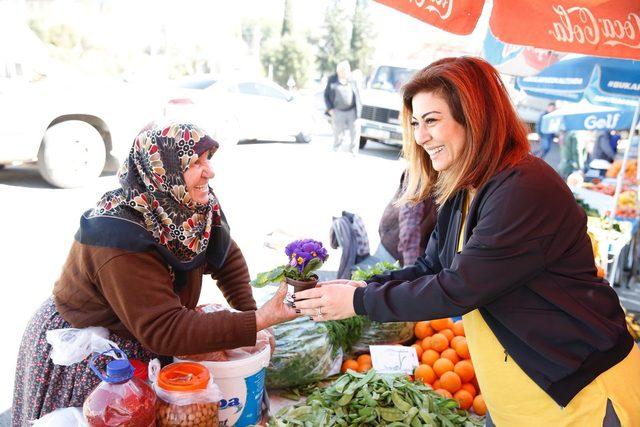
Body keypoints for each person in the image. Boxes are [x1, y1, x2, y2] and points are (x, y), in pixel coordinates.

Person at [293, 57, 640, 426]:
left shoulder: (524, 187)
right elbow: (432, 268)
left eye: (431, 120)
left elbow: (459, 288)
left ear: (474, 118)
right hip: (515, 398)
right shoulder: (465, 190)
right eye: (415, 123)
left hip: (579, 396)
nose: (420, 136)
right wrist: (364, 285)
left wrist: (360, 301)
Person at [12, 121, 297, 425]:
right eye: (195, 162)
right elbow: (166, 329)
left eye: (207, 159)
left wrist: (249, 315)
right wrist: (259, 320)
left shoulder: (193, 202)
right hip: (92, 349)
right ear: (164, 169)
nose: (209, 171)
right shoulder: (118, 233)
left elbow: (225, 256)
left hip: (146, 333)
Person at [378, 171, 437, 266]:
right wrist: (410, 267)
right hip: (392, 247)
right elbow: (409, 227)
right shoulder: (419, 174)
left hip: (419, 252)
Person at [324, 60, 361, 154]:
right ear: (338, 70)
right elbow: (326, 95)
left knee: (354, 133)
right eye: (341, 70)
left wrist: (359, 111)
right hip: (338, 111)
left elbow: (358, 95)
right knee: (338, 134)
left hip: (352, 111)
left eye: (345, 70)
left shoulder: (352, 80)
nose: (343, 72)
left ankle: (353, 153)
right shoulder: (332, 79)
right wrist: (330, 109)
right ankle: (336, 150)